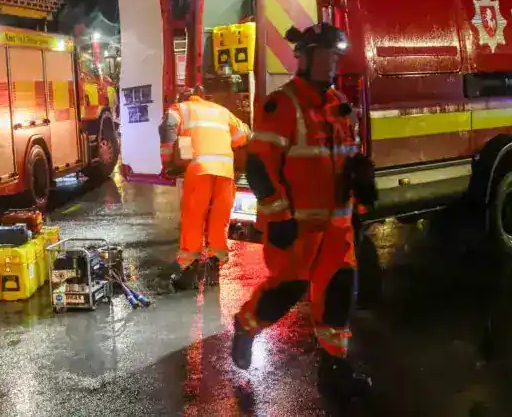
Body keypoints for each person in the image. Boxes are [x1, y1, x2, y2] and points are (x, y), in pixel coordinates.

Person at [230, 22, 374, 400]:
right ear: (306, 58)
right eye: (326, 56)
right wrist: (278, 217)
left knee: (339, 293)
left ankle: (335, 367)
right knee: (286, 291)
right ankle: (245, 326)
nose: (332, 64)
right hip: (296, 228)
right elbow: (259, 166)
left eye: (335, 57)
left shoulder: (338, 104)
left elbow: (348, 157)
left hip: (337, 228)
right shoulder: (284, 104)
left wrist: (361, 189)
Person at [159, 85, 250, 290]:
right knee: (219, 219)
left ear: (186, 97)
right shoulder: (221, 111)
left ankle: (190, 269)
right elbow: (243, 135)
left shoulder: (180, 108)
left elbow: (168, 128)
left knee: (194, 217)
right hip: (225, 171)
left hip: (199, 170)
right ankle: (213, 266)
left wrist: (168, 162)